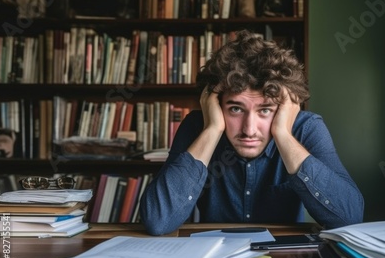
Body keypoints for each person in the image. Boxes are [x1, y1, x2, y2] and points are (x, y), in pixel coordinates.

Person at [140, 30, 364, 235]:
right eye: (236, 109)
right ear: (216, 105)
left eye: (265, 110)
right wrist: (212, 129)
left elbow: (349, 217)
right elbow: (158, 221)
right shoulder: (197, 127)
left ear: (284, 108)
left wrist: (283, 135)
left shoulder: (306, 128)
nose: (249, 129)